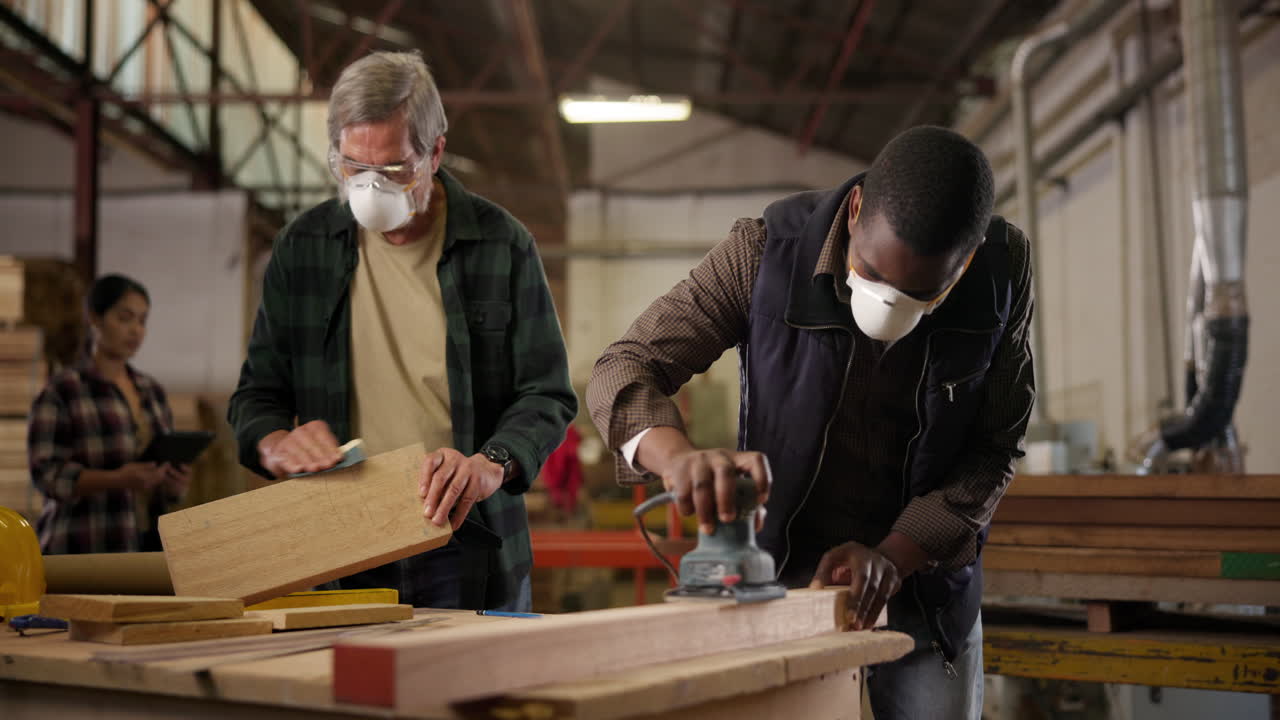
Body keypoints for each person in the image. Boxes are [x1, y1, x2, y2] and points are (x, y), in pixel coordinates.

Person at [587, 126, 1034, 718]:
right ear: (855, 210)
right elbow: (625, 366)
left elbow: (994, 449)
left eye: (920, 293)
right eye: (870, 271)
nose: (887, 303)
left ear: (966, 260)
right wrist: (677, 459)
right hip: (782, 584)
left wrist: (894, 556)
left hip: (924, 587)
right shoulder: (767, 252)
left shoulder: (1001, 271)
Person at [228, 50, 576, 612]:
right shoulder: (304, 248)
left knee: (473, 669)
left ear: (435, 152)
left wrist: (489, 464)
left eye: (393, 170)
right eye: (352, 167)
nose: (371, 189)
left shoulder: (502, 244)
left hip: (465, 535)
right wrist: (275, 444)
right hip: (340, 540)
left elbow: (547, 394)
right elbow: (256, 396)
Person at [28, 274, 191, 554]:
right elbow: (47, 475)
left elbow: (159, 471)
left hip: (142, 546)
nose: (136, 330)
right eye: (125, 318)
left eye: (142, 321)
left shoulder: (151, 391)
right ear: (94, 318)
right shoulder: (63, 391)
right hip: (81, 546)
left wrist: (174, 486)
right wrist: (117, 479)